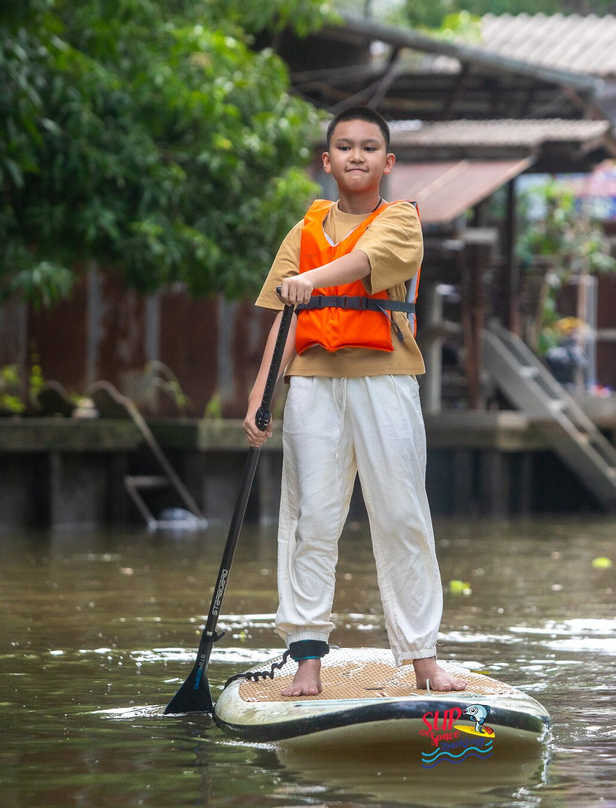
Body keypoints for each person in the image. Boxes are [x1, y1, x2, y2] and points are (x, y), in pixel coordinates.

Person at [243, 106, 466, 696]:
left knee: (400, 515)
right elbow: (288, 322)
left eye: (370, 147)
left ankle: (423, 659)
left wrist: (311, 281)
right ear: (328, 160)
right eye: (345, 147)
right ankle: (308, 663)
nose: (357, 156)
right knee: (310, 519)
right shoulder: (305, 230)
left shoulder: (401, 222)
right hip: (314, 385)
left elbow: (361, 264)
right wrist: (260, 395)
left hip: (384, 382)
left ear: (387, 162)